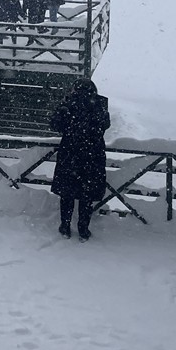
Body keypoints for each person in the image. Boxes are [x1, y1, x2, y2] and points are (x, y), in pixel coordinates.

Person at [49, 78, 110, 240]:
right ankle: (83, 229)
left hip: (70, 154)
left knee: (67, 194)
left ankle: (65, 226)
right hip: (92, 156)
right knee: (87, 196)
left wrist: (64, 108)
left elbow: (55, 125)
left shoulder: (69, 105)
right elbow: (105, 125)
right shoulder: (98, 104)